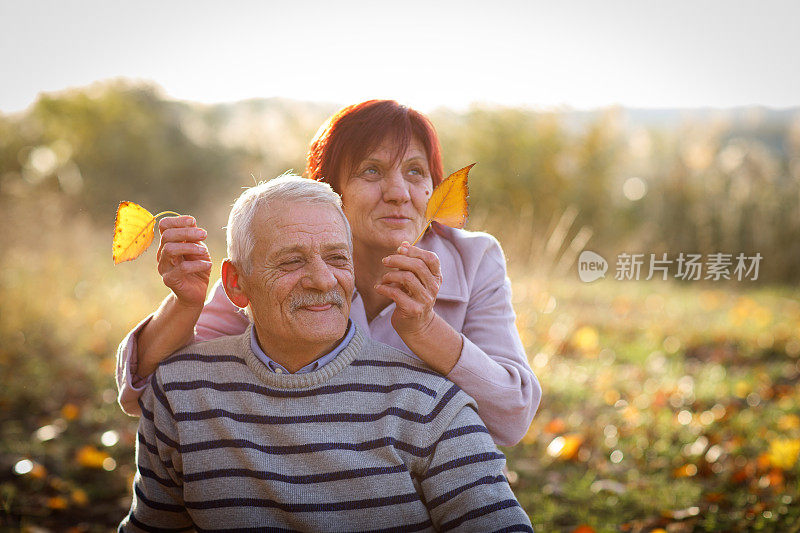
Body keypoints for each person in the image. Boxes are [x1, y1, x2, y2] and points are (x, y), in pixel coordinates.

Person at [116, 100, 540, 446]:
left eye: (415, 171)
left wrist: (425, 328)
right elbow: (151, 388)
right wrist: (185, 304)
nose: (399, 193)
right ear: (327, 190)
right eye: (371, 171)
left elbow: (512, 417)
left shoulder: (474, 258)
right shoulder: (283, 263)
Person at [119, 176, 533, 531]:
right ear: (236, 284)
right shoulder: (180, 393)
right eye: (291, 262)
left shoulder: (429, 402)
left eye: (337, 258)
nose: (322, 280)